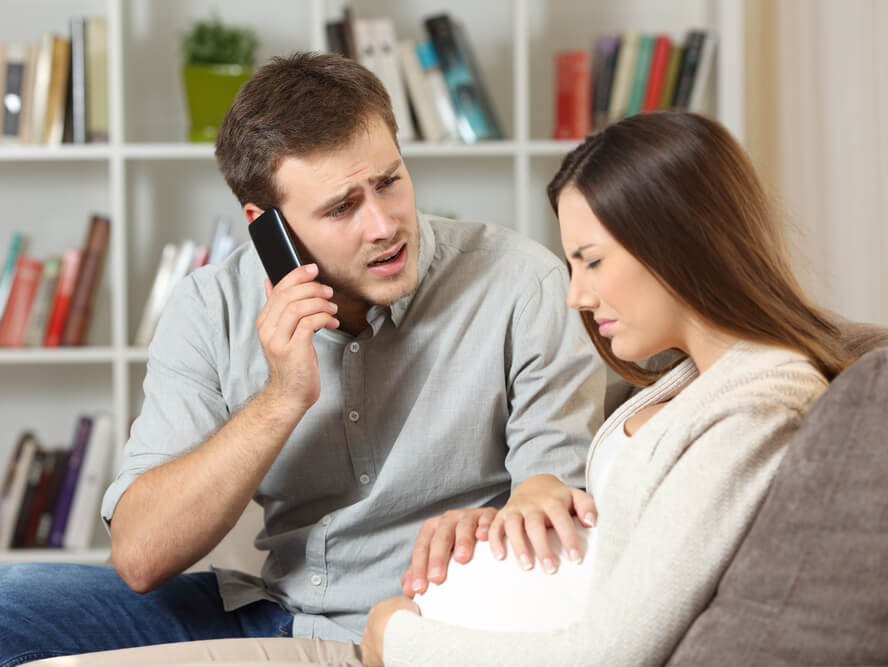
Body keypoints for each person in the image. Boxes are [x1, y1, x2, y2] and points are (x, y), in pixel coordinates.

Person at [0, 53, 604, 666]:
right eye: (342, 207)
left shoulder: (522, 284)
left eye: (390, 181)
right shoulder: (212, 307)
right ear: (265, 227)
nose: (385, 225)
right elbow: (142, 555)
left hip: (430, 621)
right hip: (275, 604)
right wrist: (281, 396)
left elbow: (547, 501)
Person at [361, 110, 852, 666]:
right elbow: (622, 538)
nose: (576, 297)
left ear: (679, 243)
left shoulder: (761, 406)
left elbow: (612, 652)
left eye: (591, 262)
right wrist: (504, 520)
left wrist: (396, 638)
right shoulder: (700, 376)